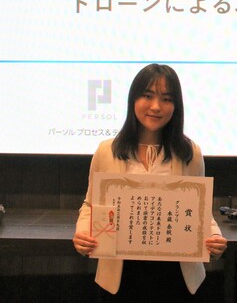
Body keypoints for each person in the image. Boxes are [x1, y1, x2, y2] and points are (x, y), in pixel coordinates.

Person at [72, 63, 227, 300]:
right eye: (147, 96)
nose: (156, 106)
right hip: (121, 274)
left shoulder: (190, 153)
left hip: (177, 274)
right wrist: (83, 232)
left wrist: (214, 237)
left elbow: (199, 211)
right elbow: (90, 205)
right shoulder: (107, 151)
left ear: (176, 106)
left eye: (166, 99)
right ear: (133, 99)